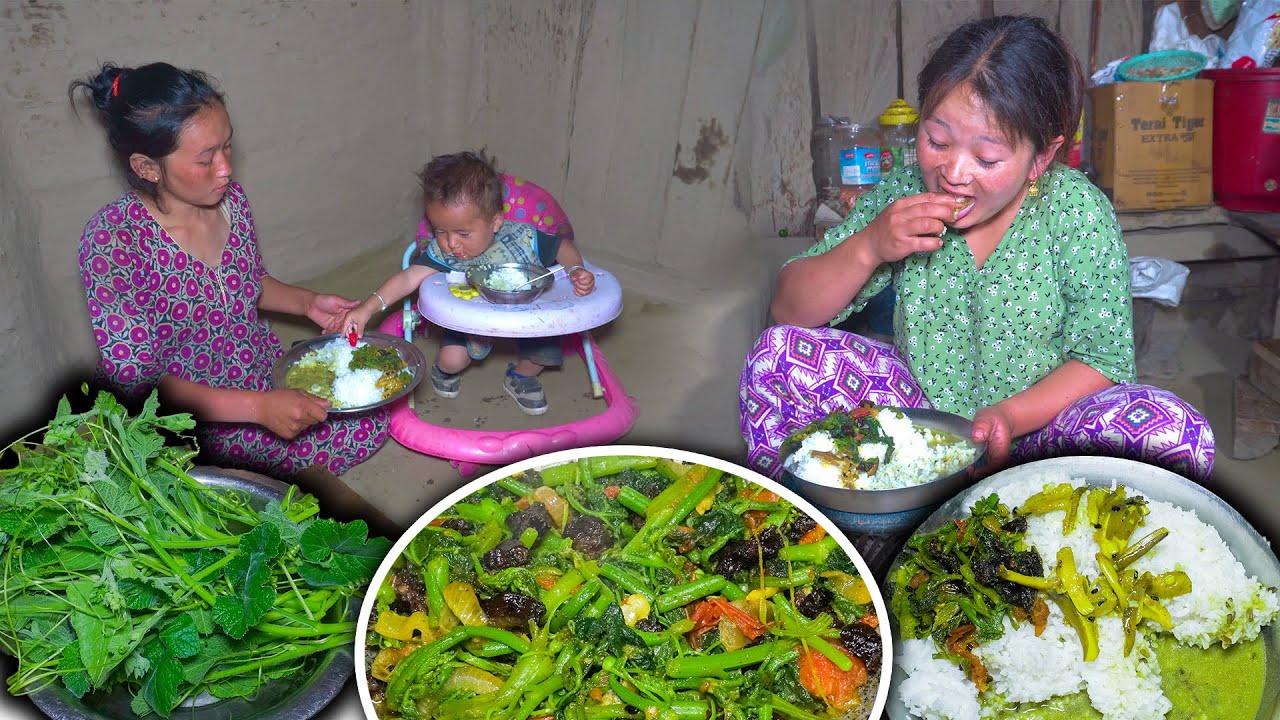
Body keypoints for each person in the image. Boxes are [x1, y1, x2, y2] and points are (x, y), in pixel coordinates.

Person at [740, 16, 1215, 482]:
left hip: (1044, 434)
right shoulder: (903, 195)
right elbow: (788, 312)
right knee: (775, 357)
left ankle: (1014, 505)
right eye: (937, 140)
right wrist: (870, 245)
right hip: (918, 426)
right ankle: (854, 512)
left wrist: (1009, 417)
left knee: (1173, 432)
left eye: (986, 158)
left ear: (1041, 157)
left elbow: (1102, 361)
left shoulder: (1076, 210)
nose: (953, 173)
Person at [73, 62, 389, 478]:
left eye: (227, 147)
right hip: (180, 410)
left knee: (367, 420)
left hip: (251, 368)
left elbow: (246, 282)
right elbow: (138, 384)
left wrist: (308, 303)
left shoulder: (230, 202)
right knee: (208, 488)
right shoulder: (113, 242)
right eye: (206, 159)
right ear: (147, 167)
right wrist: (257, 409)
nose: (225, 168)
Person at [336, 151, 595, 416]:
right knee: (452, 361)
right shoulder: (444, 252)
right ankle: (443, 371)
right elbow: (409, 277)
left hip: (528, 314)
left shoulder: (523, 238)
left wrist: (575, 268)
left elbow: (563, 247)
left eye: (463, 233)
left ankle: (521, 376)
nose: (451, 243)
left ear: (496, 222)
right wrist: (367, 308)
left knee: (543, 354)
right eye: (440, 231)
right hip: (469, 320)